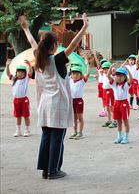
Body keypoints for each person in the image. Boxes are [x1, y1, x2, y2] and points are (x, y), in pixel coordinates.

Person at [20, 13, 88, 179]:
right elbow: (72, 44)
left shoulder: (39, 58)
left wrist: (26, 29)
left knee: (46, 136)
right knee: (57, 137)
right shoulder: (57, 59)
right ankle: (53, 170)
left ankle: (45, 170)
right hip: (57, 104)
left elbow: (31, 42)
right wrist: (84, 27)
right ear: (55, 45)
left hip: (44, 104)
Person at [6, 59, 33, 137]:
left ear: (25, 73)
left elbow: (30, 72)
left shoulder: (26, 79)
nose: (20, 73)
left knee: (26, 116)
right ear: (16, 73)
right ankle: (18, 131)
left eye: (22, 72)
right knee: (18, 116)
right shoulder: (14, 79)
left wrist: (30, 66)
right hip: (16, 100)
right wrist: (7, 65)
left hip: (24, 100)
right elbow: (8, 74)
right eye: (18, 72)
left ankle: (27, 130)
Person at [107, 65, 132, 144]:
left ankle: (126, 137)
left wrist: (128, 70)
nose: (119, 77)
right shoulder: (114, 84)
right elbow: (108, 75)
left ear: (125, 77)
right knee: (118, 121)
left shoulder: (125, 85)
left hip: (124, 103)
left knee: (125, 121)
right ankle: (119, 136)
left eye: (121, 76)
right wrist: (111, 68)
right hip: (116, 103)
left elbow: (131, 80)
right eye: (117, 76)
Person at [68, 63, 90, 140]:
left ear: (81, 75)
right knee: (74, 118)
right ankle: (75, 132)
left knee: (79, 117)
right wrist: (67, 66)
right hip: (72, 101)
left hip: (79, 101)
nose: (75, 75)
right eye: (74, 73)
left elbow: (87, 73)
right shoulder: (70, 80)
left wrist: (88, 65)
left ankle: (80, 132)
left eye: (77, 74)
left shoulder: (82, 81)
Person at [101, 62, 117, 128]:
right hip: (105, 91)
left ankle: (115, 120)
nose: (105, 70)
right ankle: (109, 120)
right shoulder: (104, 75)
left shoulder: (112, 75)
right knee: (107, 107)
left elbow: (112, 73)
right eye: (104, 69)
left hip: (110, 92)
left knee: (112, 107)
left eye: (106, 69)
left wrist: (112, 68)